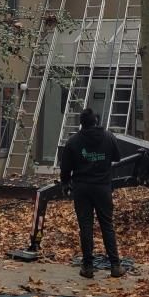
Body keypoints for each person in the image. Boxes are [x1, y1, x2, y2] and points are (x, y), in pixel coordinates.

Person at [60, 107, 123, 278]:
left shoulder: (73, 142)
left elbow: (65, 168)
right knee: (107, 225)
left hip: (82, 188)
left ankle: (88, 267)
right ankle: (115, 266)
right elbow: (117, 157)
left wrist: (66, 183)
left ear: (81, 123)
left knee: (85, 227)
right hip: (102, 187)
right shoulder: (109, 137)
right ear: (96, 121)